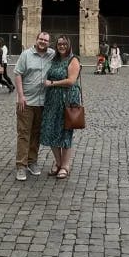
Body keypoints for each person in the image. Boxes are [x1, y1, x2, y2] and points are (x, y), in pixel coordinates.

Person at [13, 32, 55, 181]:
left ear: (49, 42)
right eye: (41, 39)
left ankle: (32, 161)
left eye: (46, 40)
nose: (43, 42)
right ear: (36, 40)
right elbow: (18, 74)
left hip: (43, 102)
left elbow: (67, 58)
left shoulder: (52, 54)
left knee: (36, 133)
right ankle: (21, 166)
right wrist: (20, 96)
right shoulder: (26, 55)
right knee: (24, 133)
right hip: (27, 101)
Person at [40, 34, 81, 180]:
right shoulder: (55, 59)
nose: (62, 46)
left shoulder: (73, 59)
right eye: (59, 44)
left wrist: (52, 83)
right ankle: (58, 162)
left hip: (67, 99)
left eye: (64, 43)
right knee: (50, 129)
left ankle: (65, 166)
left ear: (69, 45)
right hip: (52, 100)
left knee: (65, 132)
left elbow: (71, 81)